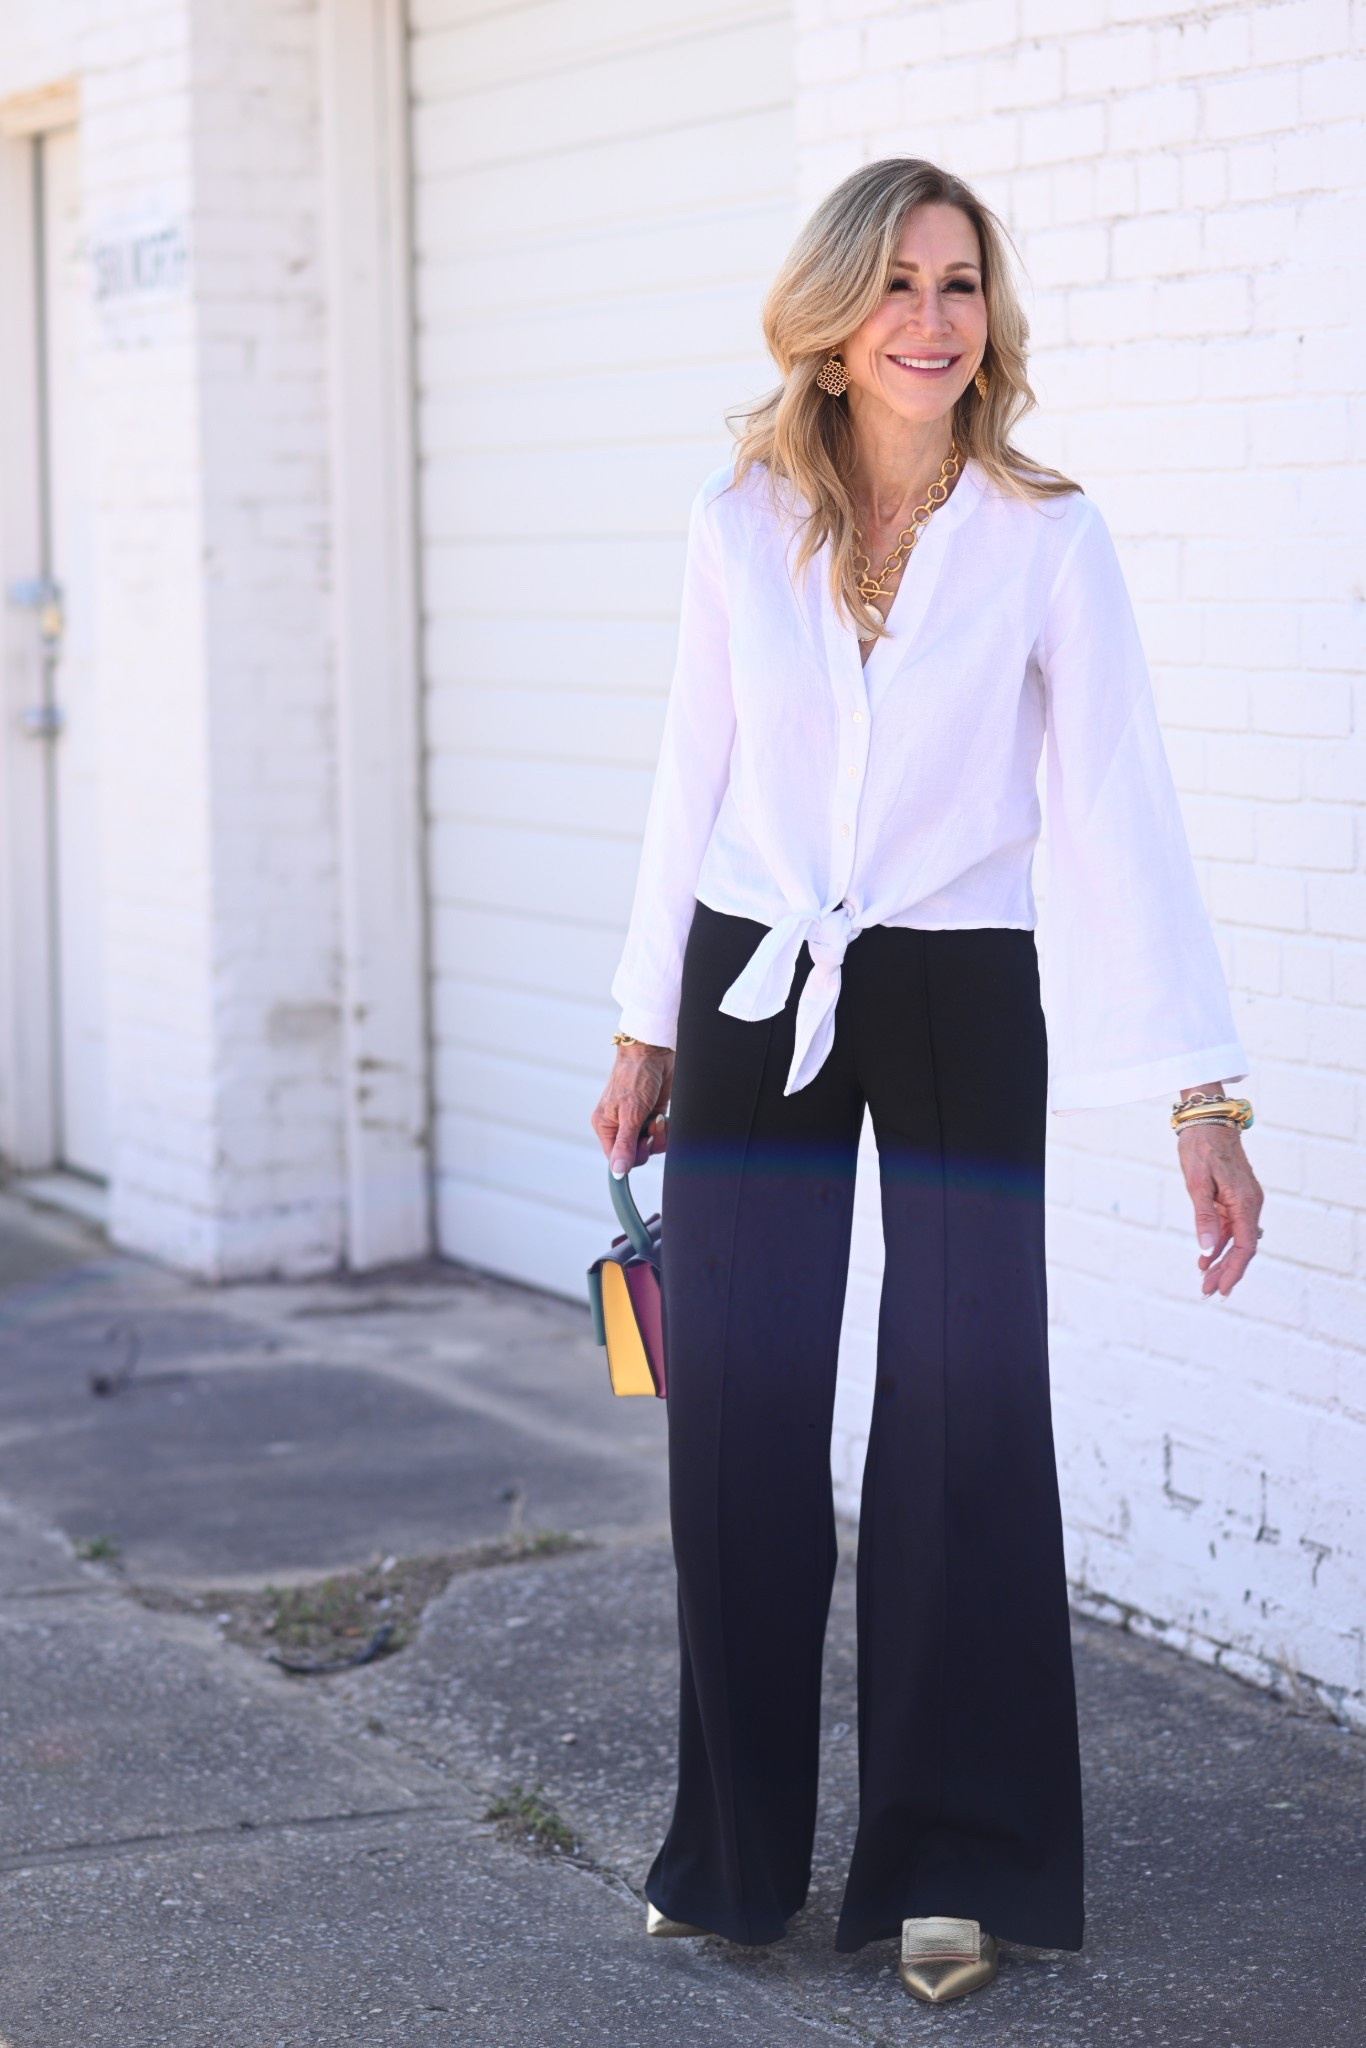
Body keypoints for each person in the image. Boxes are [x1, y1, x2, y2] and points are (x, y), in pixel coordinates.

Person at [591, 157, 1263, 2006]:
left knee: (960, 1411)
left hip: (961, 985)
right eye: (894, 284)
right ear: (829, 315)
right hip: (749, 980)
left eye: (960, 284)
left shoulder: (1047, 536)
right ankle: (730, 1856)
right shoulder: (744, 522)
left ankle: (950, 1864)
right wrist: (644, 1026)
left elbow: (1118, 815)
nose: (931, 318)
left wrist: (1203, 1099)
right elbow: (687, 782)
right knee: (732, 1416)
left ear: (992, 315)